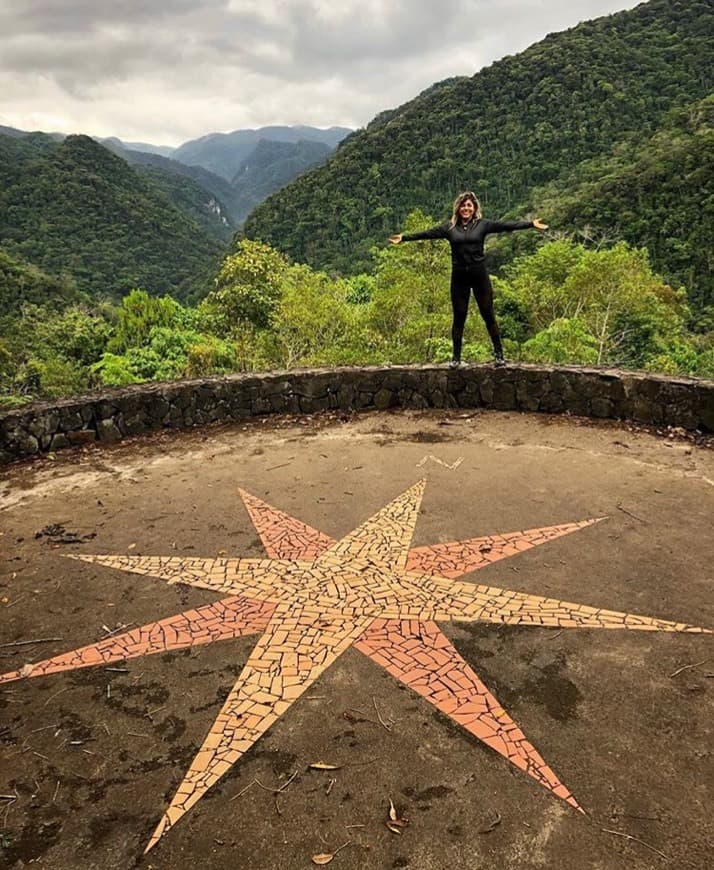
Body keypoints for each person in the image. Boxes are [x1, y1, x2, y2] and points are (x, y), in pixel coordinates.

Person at [389, 192, 548, 366]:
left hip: (479, 275)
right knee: (459, 317)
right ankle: (456, 358)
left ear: (474, 209)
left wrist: (531, 224)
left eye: (469, 206)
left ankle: (499, 354)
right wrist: (404, 238)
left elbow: (505, 225)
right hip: (459, 277)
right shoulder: (449, 228)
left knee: (488, 315)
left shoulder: (483, 225)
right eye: (463, 206)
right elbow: (427, 234)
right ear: (458, 208)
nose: (466, 209)